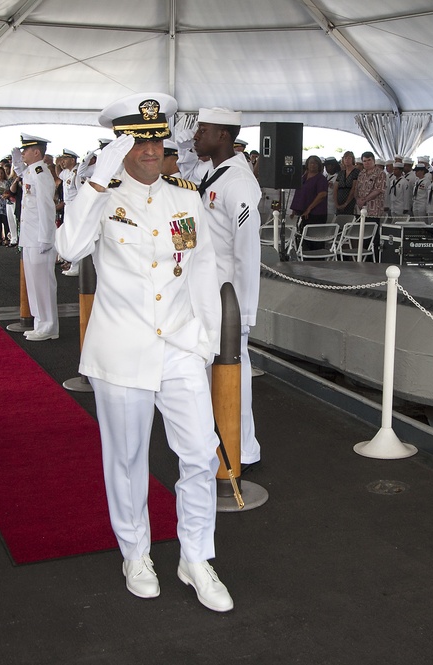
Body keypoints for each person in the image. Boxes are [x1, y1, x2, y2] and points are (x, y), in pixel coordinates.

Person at [56, 92, 233, 613]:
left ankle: (196, 556)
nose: (151, 148)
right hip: (122, 348)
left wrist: (205, 343)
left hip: (179, 345)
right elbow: (67, 250)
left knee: (200, 454)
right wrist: (93, 180)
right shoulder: (101, 195)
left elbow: (203, 272)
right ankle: (135, 551)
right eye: (137, 139)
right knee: (129, 459)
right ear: (120, 144)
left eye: (155, 137)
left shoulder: (185, 197)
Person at [192, 106, 263, 468]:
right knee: (213, 373)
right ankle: (223, 443)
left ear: (223, 136)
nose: (195, 134)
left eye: (202, 129)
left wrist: (245, 311)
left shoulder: (237, 183)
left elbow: (248, 250)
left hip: (228, 301)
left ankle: (242, 448)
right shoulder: (211, 173)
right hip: (209, 295)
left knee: (234, 373)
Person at [11, 134, 58, 341]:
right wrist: (15, 159)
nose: (23, 153)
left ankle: (48, 326)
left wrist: (47, 238)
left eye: (25, 150)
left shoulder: (41, 173)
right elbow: (21, 173)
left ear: (36, 152)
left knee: (43, 284)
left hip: (40, 238)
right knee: (33, 283)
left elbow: (47, 207)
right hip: (30, 238)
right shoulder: (31, 171)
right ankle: (40, 322)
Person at [290, 155, 329, 246]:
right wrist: (295, 209)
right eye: (311, 163)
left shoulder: (320, 179)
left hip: (316, 214)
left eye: (316, 163)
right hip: (303, 213)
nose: (313, 165)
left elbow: (322, 194)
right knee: (305, 241)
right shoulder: (303, 178)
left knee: (315, 241)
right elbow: (299, 194)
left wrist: (309, 209)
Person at [354, 151, 386, 224]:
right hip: (360, 208)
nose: (367, 163)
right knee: (360, 231)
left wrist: (364, 200)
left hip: (374, 209)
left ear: (374, 161)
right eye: (364, 161)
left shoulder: (380, 173)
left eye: (369, 160)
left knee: (372, 232)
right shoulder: (361, 173)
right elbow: (356, 188)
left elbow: (378, 190)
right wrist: (357, 199)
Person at [334, 151, 359, 216]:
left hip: (350, 201)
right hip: (339, 200)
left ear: (352, 159)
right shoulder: (341, 173)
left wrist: (346, 203)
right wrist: (336, 204)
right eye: (345, 158)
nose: (347, 160)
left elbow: (354, 188)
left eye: (349, 158)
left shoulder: (356, 172)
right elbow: (335, 188)